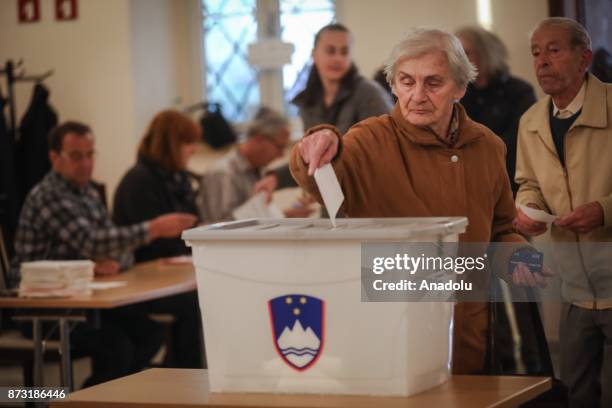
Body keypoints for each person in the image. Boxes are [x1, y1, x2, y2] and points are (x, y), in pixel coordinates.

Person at [288, 27, 541, 374]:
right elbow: (325, 169)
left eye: (433, 83)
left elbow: (501, 229)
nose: (417, 95)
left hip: (471, 333)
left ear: (460, 88)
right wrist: (319, 142)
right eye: (407, 82)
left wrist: (519, 257)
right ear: (393, 85)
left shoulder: (488, 146)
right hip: (392, 334)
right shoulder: (369, 140)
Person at [10, 121, 197, 386]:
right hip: (43, 306)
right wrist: (152, 229)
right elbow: (94, 243)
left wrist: (100, 263)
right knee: (116, 346)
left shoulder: (88, 194)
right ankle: (82, 401)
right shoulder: (48, 196)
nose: (86, 163)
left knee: (149, 334)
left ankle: (111, 397)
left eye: (90, 155)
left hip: (83, 299)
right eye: (76, 156)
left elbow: (118, 250)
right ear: (54, 158)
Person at [513, 17, 612, 408]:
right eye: (536, 53)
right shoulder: (531, 121)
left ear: (584, 57)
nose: (542, 62)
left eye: (554, 50)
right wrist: (531, 207)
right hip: (572, 288)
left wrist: (603, 211)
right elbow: (528, 182)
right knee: (575, 393)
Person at [255, 23, 393, 200]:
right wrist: (274, 178)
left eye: (344, 52)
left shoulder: (369, 93)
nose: (337, 58)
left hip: (369, 201)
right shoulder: (308, 102)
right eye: (330, 51)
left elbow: (387, 148)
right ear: (314, 55)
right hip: (333, 205)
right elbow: (312, 158)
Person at [113, 110, 204, 368]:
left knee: (206, 294)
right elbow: (156, 245)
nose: (193, 150)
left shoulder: (179, 180)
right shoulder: (138, 182)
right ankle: (185, 378)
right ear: (171, 144)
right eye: (188, 143)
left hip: (173, 273)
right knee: (192, 304)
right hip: (143, 279)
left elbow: (190, 225)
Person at [455, 26, 536, 195]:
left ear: (486, 54)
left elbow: (519, 139)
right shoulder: (458, 92)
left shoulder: (520, 91)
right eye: (457, 54)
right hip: (465, 181)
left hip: (510, 180)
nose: (460, 61)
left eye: (466, 53)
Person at [199, 107, 311, 223]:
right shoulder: (223, 173)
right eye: (279, 147)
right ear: (259, 139)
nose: (281, 155)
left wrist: (285, 216)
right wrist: (282, 217)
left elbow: (253, 217)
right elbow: (220, 227)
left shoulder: (259, 170)